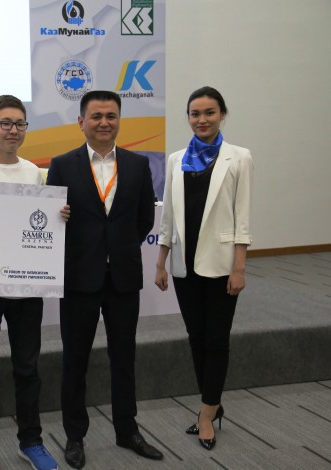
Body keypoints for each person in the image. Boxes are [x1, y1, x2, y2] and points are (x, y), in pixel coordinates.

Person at [46, 90, 162, 468]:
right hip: (79, 277)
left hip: (123, 278)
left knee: (124, 358)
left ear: (119, 120)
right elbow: (53, 219)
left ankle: (127, 430)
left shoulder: (138, 164)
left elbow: (145, 218)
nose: (104, 123)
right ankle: (74, 436)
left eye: (111, 116)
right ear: (81, 122)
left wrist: (118, 247)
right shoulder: (62, 165)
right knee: (75, 361)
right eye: (96, 116)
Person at [0, 95, 66, 470]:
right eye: (5, 123)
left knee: (27, 369)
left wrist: (58, 216)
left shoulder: (34, 173)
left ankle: (30, 442)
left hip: (25, 291)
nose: (13, 130)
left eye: (20, 123)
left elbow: (36, 230)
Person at [155, 86, 252, 451]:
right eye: (195, 113)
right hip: (184, 265)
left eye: (209, 112)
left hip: (221, 266)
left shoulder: (239, 158)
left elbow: (242, 217)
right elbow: (168, 216)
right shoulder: (176, 159)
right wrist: (161, 261)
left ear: (222, 114)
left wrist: (239, 268)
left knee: (216, 339)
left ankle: (206, 414)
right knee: (196, 338)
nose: (202, 120)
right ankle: (213, 402)